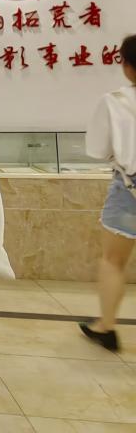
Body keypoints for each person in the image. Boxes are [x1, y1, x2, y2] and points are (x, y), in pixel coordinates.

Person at [81, 34, 136, 351]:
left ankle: (107, 326)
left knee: (114, 261)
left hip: (129, 189)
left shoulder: (116, 101)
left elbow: (97, 148)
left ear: (126, 65)